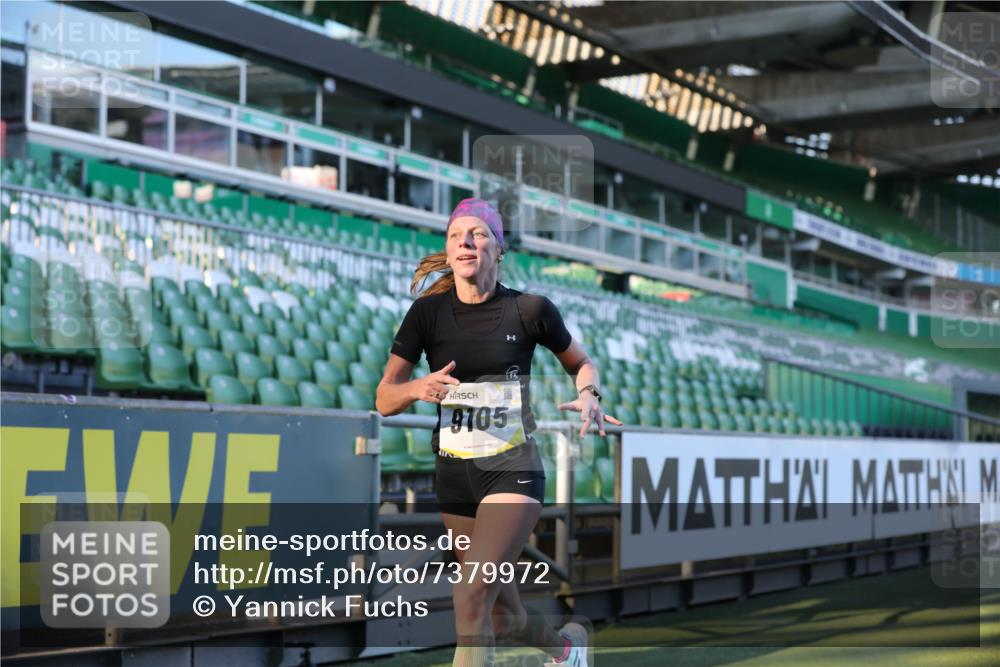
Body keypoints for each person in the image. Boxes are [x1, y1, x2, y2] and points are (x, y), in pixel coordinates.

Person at [376, 198, 621, 667]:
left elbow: (582, 363)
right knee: (502, 616)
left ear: (498, 248)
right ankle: (567, 650)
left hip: (513, 469)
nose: (466, 242)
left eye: (478, 234)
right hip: (455, 475)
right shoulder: (426, 314)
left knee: (470, 596)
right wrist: (416, 388)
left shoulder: (530, 310)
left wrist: (590, 394)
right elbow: (384, 398)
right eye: (456, 236)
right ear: (447, 251)